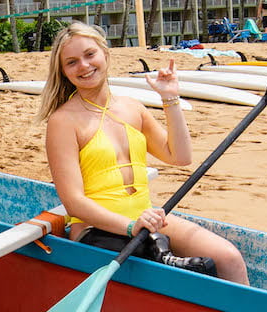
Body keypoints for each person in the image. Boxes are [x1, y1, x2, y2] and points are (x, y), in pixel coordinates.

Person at [40, 22, 247, 283]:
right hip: (96, 227)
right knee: (157, 265)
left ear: (105, 53)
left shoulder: (132, 108)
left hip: (146, 218)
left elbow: (180, 156)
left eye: (90, 54)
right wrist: (129, 226)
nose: (83, 65)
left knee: (228, 258)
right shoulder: (63, 121)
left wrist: (170, 99)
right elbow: (74, 202)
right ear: (64, 72)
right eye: (72, 62)